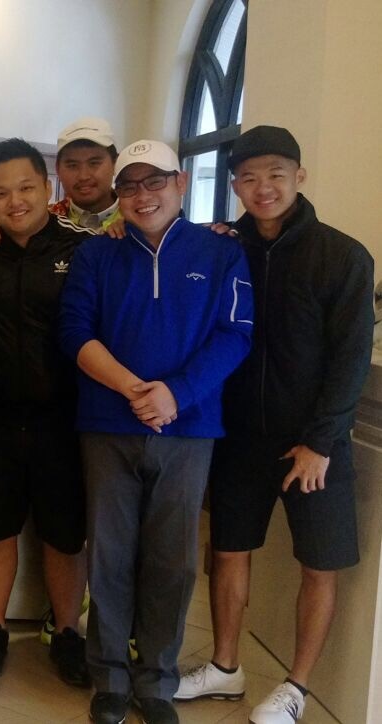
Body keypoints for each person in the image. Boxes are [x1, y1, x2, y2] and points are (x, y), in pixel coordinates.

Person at [174, 126, 375, 724]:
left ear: (299, 177)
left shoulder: (342, 256)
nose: (263, 188)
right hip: (238, 435)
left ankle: (296, 687)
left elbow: (350, 359)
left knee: (319, 563)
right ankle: (225, 667)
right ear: (234, 185)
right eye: (249, 177)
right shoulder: (225, 247)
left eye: (276, 175)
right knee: (229, 550)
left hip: (314, 444)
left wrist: (319, 441)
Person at [58, 140, 253, 724]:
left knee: (172, 561)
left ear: (181, 182)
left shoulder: (221, 251)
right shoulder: (98, 252)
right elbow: (74, 331)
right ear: (117, 195)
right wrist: (132, 389)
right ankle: (110, 678)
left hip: (189, 428)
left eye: (155, 182)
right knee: (110, 555)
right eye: (130, 186)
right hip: (107, 424)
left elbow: (235, 333)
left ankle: (158, 681)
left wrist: (176, 393)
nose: (143, 196)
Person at [0, 138, 91, 687]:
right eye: (0, 193)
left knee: (64, 534)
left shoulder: (83, 249)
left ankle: (67, 632)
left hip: (63, 419)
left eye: (26, 188)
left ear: (48, 187)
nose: (14, 202)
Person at [0, 117, 122, 246]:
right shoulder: (41, 217)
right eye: (72, 165)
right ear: (57, 169)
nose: (83, 176)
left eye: (94, 163)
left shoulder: (132, 219)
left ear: (115, 163)